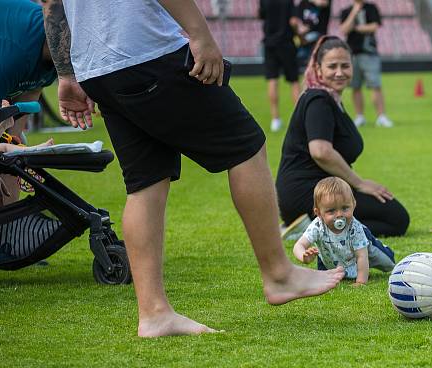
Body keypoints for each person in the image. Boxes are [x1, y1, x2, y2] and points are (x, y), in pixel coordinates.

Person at [41, 0, 344, 338]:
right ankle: (278, 275)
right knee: (247, 146)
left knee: (146, 181)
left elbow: (52, 3)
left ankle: (154, 313)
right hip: (146, 50)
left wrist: (67, 73)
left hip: (97, 68)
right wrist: (200, 34)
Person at [276, 35, 409, 240]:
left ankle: (316, 227)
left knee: (394, 216)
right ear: (319, 69)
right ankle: (311, 230)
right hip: (306, 194)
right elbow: (320, 151)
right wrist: (359, 183)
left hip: (323, 189)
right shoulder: (318, 99)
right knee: (396, 219)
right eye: (332, 66)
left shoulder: (331, 99)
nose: (339, 72)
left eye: (345, 66)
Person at [0, 0, 58, 206]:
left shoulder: (53, 59)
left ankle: (6, 232)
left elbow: (13, 130)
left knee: (14, 147)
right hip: (10, 55)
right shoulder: (13, 56)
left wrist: (17, 149)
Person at [293, 176, 395, 285]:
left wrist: (360, 282)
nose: (339, 215)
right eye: (331, 211)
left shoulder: (354, 227)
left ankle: (374, 254)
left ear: (353, 205)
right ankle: (350, 267)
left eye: (345, 208)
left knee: (388, 263)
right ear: (318, 213)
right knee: (332, 275)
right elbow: (298, 246)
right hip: (332, 256)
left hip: (362, 247)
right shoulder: (317, 226)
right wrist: (304, 256)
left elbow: (361, 256)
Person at [339, 0, 393, 128]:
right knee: (355, 86)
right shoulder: (346, 11)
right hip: (352, 54)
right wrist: (354, 12)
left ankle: (381, 116)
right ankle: (360, 116)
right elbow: (344, 29)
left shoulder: (371, 8)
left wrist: (356, 28)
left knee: (375, 85)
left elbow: (374, 26)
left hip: (370, 53)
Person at [259, 0, 303, 132]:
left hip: (269, 44)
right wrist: (299, 35)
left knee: (272, 80)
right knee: (294, 81)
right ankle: (299, 118)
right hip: (286, 43)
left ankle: (275, 119)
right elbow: (294, 21)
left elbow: (261, 15)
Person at [295, 0, 332, 72]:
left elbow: (323, 3)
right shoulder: (303, 3)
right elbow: (297, 18)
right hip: (303, 38)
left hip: (318, 36)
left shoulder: (322, 2)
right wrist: (301, 27)